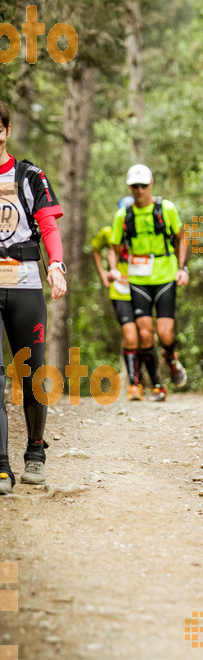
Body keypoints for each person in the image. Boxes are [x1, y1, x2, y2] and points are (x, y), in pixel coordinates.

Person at [0, 100, 67, 494]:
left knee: (32, 374)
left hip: (25, 283)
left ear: (5, 131)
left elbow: (47, 225)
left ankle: (35, 454)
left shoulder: (29, 175)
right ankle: (2, 466)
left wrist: (56, 265)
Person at [110, 164, 188, 401]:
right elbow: (113, 247)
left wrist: (183, 268)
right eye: (135, 186)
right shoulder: (123, 215)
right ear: (129, 187)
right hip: (138, 279)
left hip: (165, 276)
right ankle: (157, 384)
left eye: (143, 185)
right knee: (144, 334)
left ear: (151, 183)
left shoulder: (166, 208)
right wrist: (113, 269)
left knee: (165, 334)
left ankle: (171, 358)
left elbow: (181, 237)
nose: (139, 190)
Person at [92, 196, 144, 401]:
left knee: (144, 335)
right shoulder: (108, 233)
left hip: (142, 288)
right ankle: (134, 384)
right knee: (130, 335)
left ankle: (148, 381)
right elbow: (96, 249)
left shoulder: (143, 233)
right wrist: (103, 273)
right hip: (120, 291)